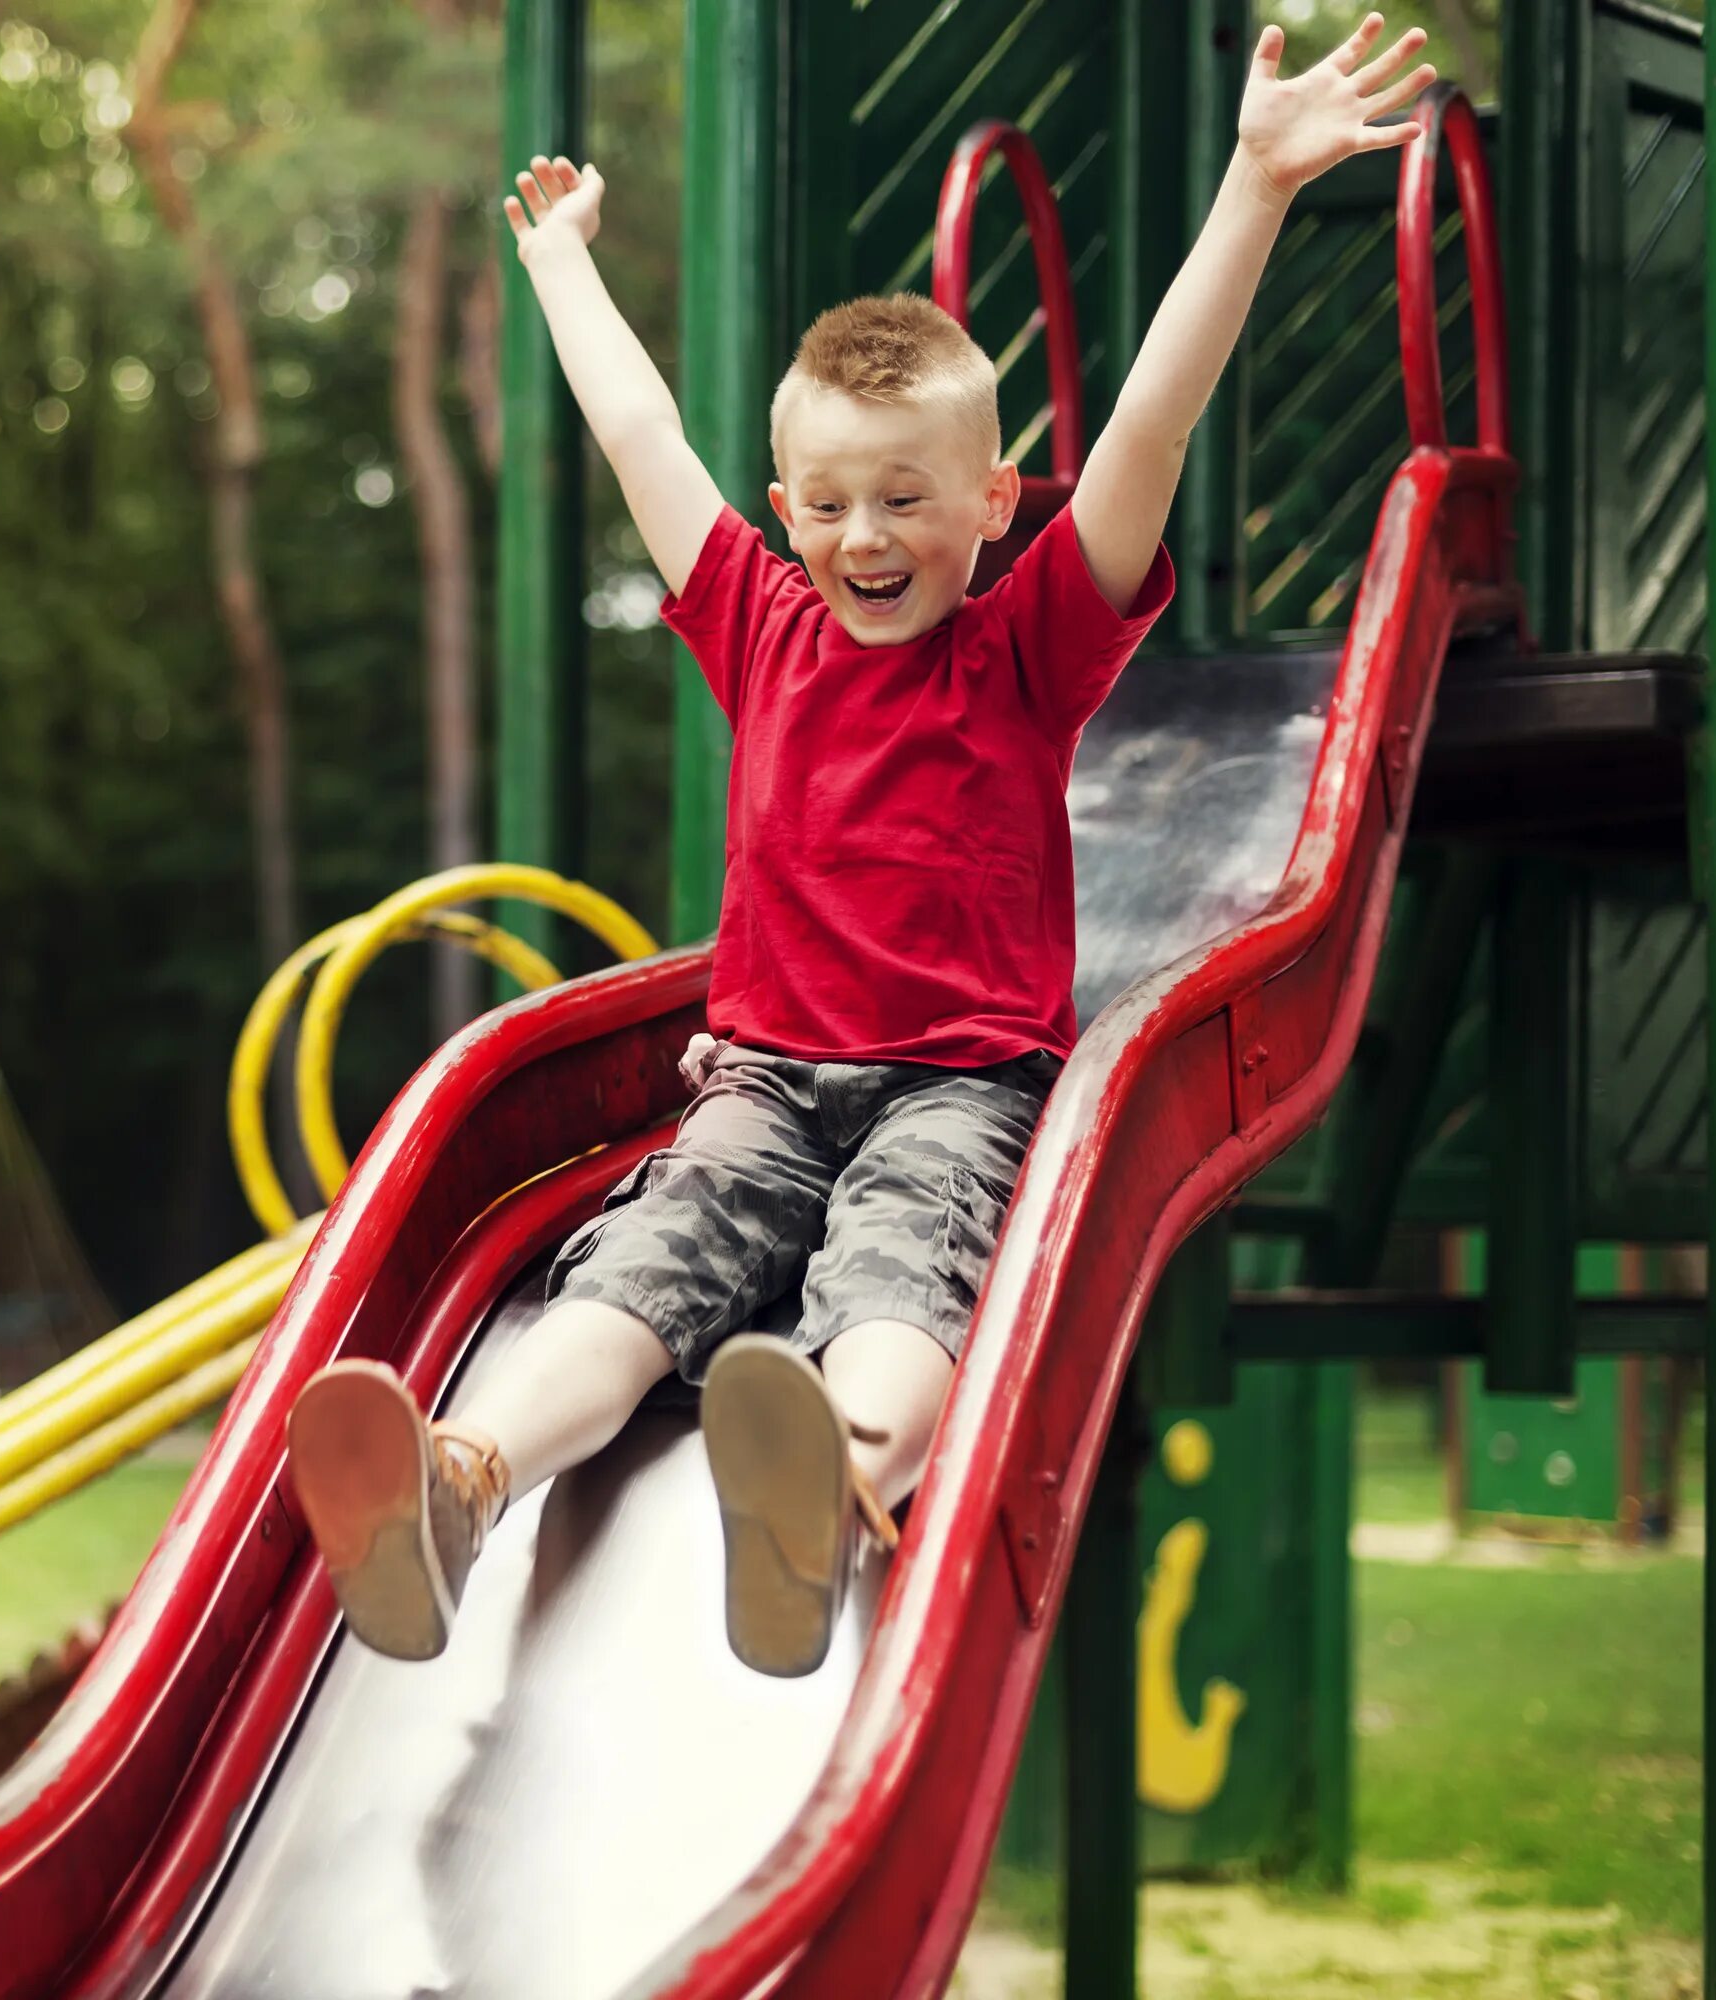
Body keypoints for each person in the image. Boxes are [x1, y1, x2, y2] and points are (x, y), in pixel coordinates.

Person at [284, 17, 1436, 1677]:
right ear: (784, 501)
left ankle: (836, 1489)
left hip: (957, 1089)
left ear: (991, 506)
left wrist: (1255, 184)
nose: (862, 535)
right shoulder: (759, 620)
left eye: (906, 498)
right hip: (757, 1083)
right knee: (639, 1273)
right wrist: (557, 267)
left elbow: (1153, 433)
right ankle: (464, 1482)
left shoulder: (1030, 641)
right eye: (825, 501)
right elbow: (638, 437)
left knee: (903, 1285)